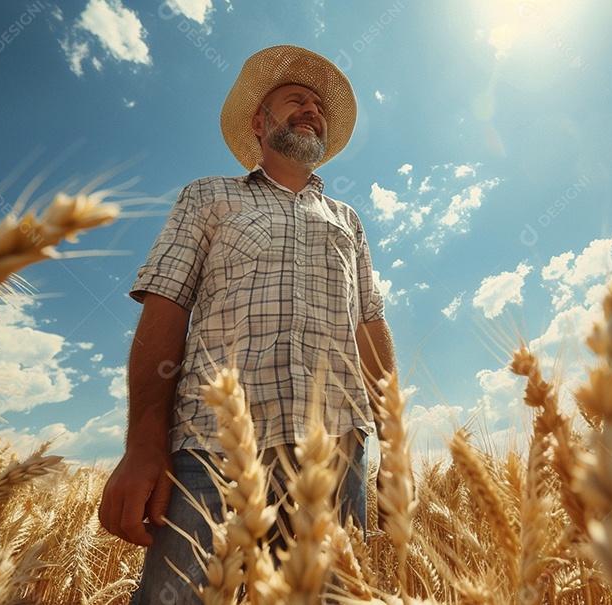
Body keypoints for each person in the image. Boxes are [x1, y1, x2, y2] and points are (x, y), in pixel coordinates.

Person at [99, 45, 396, 603]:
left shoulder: (348, 221)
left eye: (319, 107)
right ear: (260, 123)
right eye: (296, 100)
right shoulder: (208, 196)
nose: (312, 109)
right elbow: (166, 306)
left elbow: (369, 327)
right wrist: (143, 443)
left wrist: (394, 442)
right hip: (211, 449)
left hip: (334, 453)